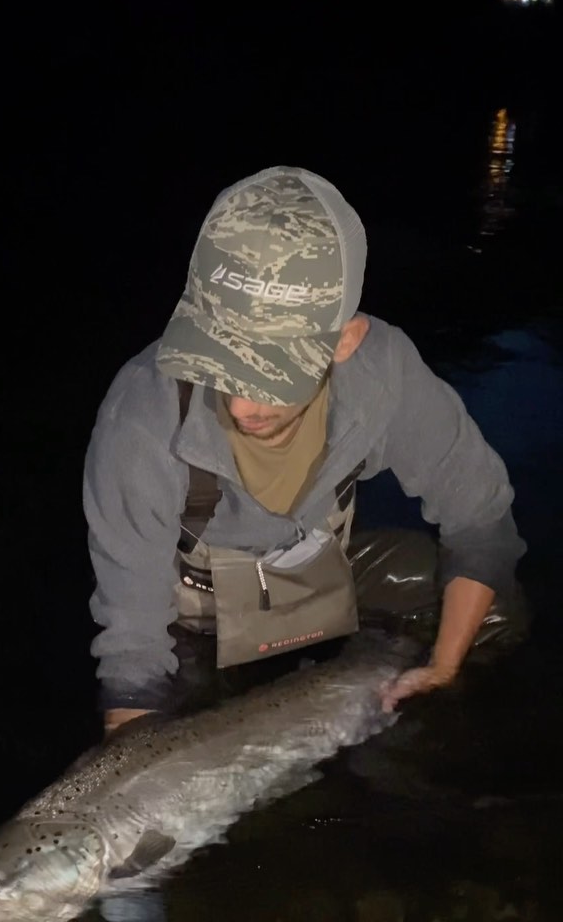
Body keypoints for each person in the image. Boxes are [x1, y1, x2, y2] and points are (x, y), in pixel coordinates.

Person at [83, 165, 527, 737]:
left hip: (322, 572)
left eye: (271, 374)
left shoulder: (383, 374)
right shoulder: (139, 419)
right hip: (196, 618)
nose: (241, 407)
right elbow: (132, 647)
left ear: (345, 341)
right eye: (219, 360)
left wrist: (442, 671)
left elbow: (480, 521)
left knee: (493, 608)